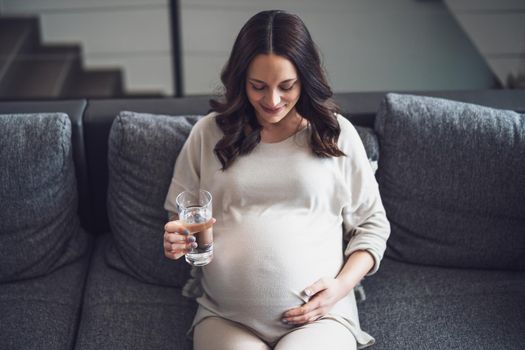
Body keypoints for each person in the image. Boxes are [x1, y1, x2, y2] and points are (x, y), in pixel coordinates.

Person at [163, 9, 390, 350]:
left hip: (320, 317)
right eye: (258, 86)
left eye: (286, 86)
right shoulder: (209, 133)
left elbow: (373, 225)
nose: (271, 101)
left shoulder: (335, 134)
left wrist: (340, 288)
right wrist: (177, 239)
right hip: (226, 317)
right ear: (241, 80)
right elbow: (181, 217)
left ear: (305, 78)